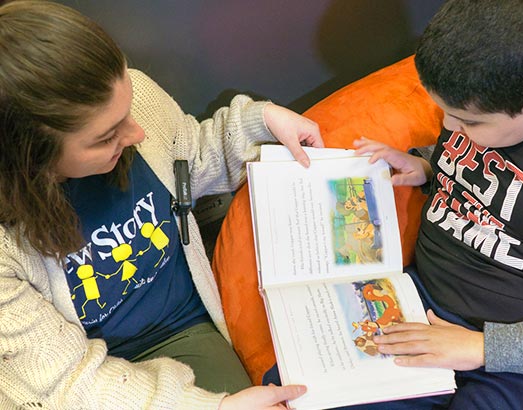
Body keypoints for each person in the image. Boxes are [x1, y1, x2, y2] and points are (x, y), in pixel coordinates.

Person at [0, 1, 322, 409]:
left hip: (182, 331)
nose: (137, 133)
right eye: (106, 136)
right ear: (30, 155)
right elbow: (70, 385)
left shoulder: (136, 105)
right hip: (79, 377)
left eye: (128, 110)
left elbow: (189, 155)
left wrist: (262, 122)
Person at [351, 0, 523, 408]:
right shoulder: (491, 100)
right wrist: (429, 163)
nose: (449, 127)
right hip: (418, 300)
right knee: (304, 386)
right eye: (444, 112)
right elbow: (500, 181)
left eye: (468, 122)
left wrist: (485, 348)